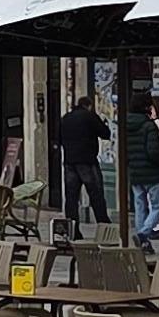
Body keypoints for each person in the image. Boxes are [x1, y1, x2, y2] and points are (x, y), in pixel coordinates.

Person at [51, 87, 110, 229]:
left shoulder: (66, 118)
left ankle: (73, 229)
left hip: (70, 162)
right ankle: (104, 226)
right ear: (89, 106)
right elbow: (105, 133)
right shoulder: (90, 116)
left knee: (71, 197)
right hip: (87, 161)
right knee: (96, 194)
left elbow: (57, 140)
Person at [124, 86, 159, 246]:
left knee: (140, 205)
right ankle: (143, 234)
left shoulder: (125, 125)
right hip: (152, 172)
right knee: (157, 205)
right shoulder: (148, 125)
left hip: (135, 171)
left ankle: (142, 237)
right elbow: (154, 151)